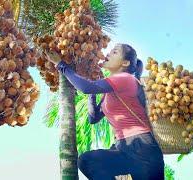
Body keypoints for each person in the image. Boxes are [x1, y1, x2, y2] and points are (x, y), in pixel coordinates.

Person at [44, 43, 164, 180]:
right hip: (123, 147)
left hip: (142, 148)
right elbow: (93, 118)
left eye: (115, 52)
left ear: (125, 63)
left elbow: (86, 87)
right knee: (87, 161)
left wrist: (61, 64)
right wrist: (93, 92)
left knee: (88, 161)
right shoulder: (111, 90)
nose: (108, 53)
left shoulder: (125, 78)